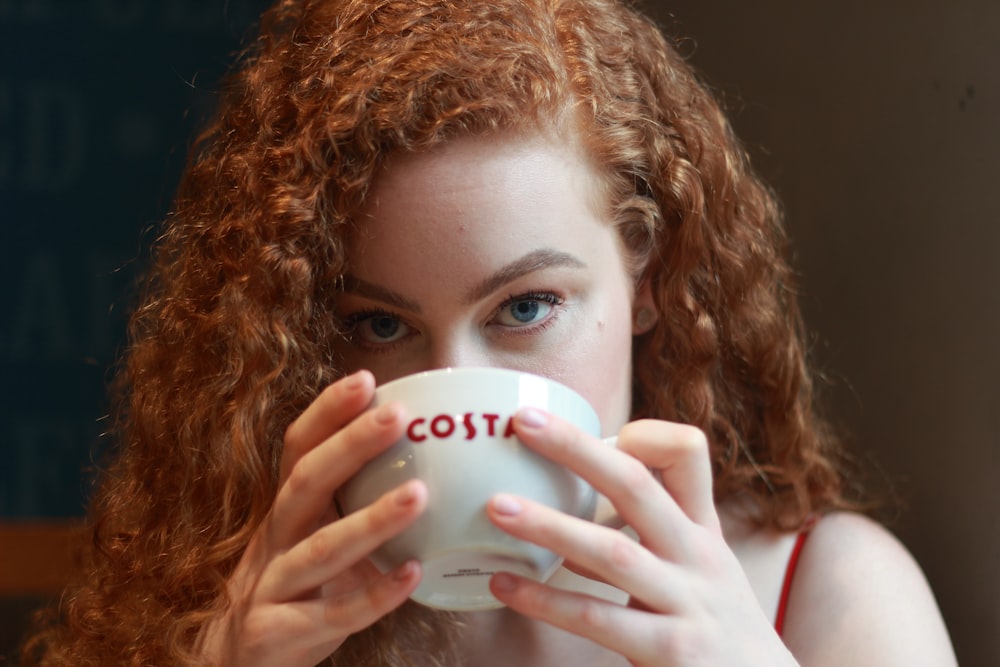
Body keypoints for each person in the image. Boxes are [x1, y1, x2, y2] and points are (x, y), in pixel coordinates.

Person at [22, 0, 957, 665]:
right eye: (380, 323)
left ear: (646, 275)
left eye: (524, 308)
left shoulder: (828, 600)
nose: (455, 384)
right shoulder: (240, 617)